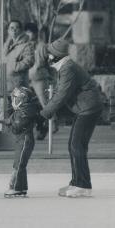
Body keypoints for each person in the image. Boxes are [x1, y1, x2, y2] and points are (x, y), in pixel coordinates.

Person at [40, 38, 103, 197]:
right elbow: (60, 92)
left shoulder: (68, 68)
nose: (47, 57)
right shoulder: (65, 67)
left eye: (49, 54)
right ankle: (77, 182)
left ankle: (83, 185)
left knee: (77, 145)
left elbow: (62, 94)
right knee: (74, 145)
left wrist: (45, 113)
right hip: (84, 109)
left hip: (88, 108)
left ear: (56, 56)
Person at [4, 87, 39, 197]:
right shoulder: (23, 110)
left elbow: (16, 127)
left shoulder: (24, 112)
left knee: (18, 164)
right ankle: (21, 188)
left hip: (24, 140)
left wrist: (2, 127)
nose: (13, 101)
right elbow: (11, 120)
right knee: (20, 163)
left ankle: (16, 187)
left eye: (14, 98)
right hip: (23, 139)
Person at [25, 22, 57, 140]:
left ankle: (52, 124)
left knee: (44, 102)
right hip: (27, 77)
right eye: (27, 32)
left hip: (39, 77)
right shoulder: (26, 45)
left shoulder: (41, 46)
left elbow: (45, 63)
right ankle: (39, 127)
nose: (29, 34)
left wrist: (51, 76)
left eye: (31, 32)